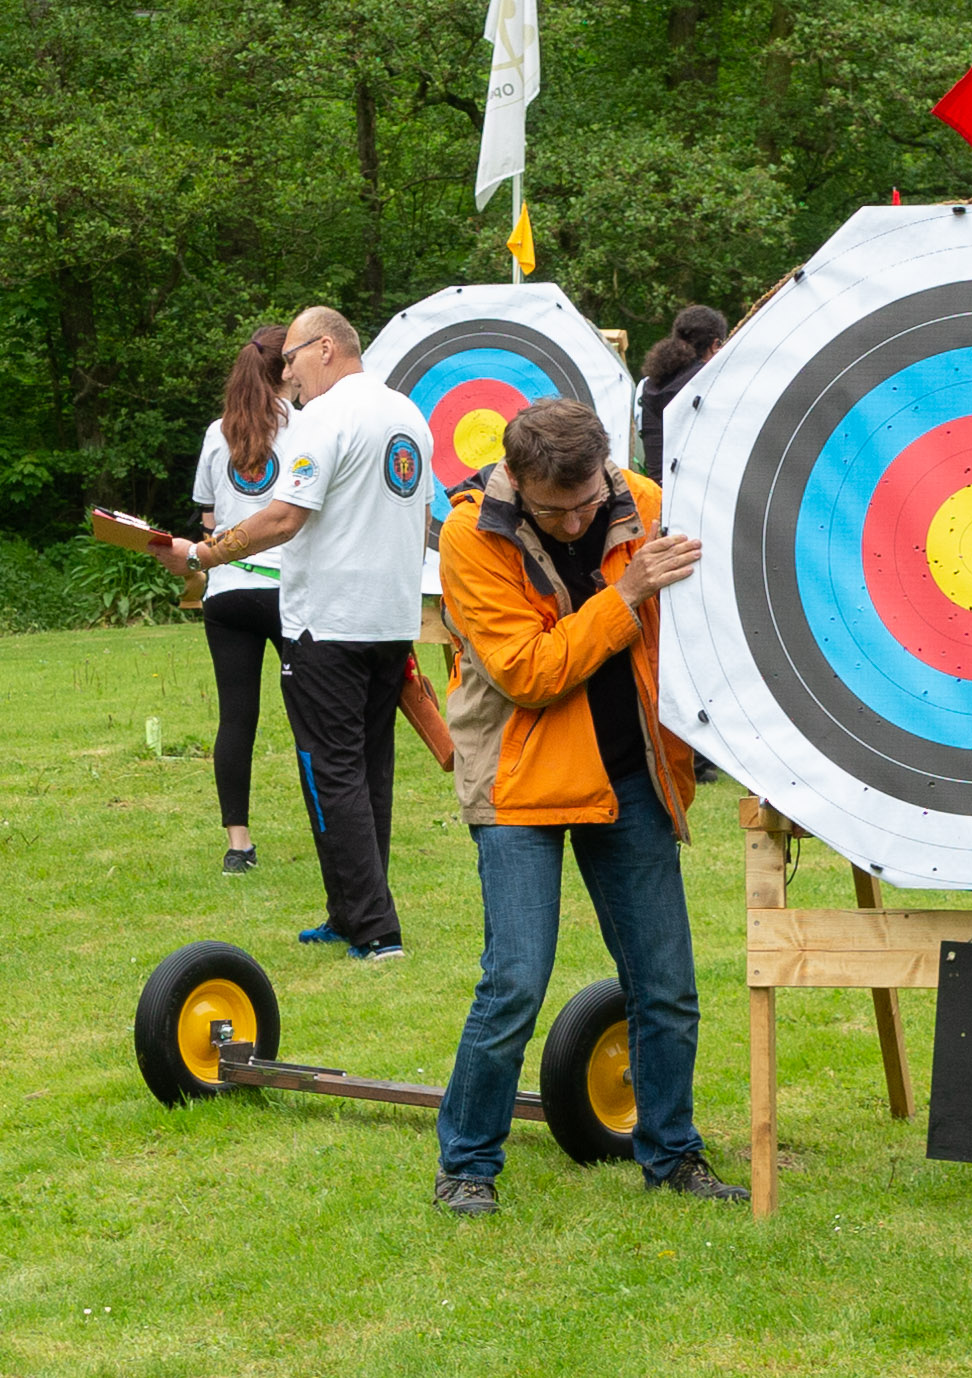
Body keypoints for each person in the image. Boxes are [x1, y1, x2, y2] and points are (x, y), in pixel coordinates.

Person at [430, 397, 744, 1215]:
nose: (574, 523)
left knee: (666, 984)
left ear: (605, 468)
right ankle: (466, 1165)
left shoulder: (644, 502)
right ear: (515, 479)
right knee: (514, 981)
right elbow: (528, 672)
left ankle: (672, 1155)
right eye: (552, 511)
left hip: (628, 774)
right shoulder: (469, 533)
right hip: (519, 779)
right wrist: (626, 592)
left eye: (586, 504)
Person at [157, 305, 431, 960]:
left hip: (329, 626)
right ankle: (350, 912)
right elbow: (421, 521)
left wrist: (203, 555)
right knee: (369, 768)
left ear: (326, 348)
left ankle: (376, 930)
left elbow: (282, 519)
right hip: (389, 621)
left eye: (292, 358)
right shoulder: (409, 416)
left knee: (330, 769)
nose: (287, 373)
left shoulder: (325, 418)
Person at [191, 326, 294, 874]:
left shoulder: (218, 432)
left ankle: (238, 846)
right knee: (313, 717)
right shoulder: (305, 426)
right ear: (286, 370)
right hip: (289, 589)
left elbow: (209, 521)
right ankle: (333, 829)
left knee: (236, 719)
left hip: (228, 591)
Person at [636, 304, 727, 472]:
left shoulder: (648, 384)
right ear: (715, 344)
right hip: (695, 482)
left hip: (657, 484)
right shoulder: (709, 381)